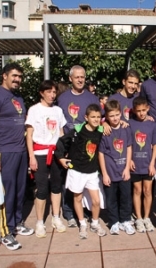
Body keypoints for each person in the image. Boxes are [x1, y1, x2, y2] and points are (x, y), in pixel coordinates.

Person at [0, 63, 33, 251]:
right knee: (7, 194)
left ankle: (18, 222)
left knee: (20, 190)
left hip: (21, 152)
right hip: (5, 152)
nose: (17, 79)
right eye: (14, 75)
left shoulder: (18, 97)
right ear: (4, 76)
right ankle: (6, 232)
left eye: (20, 76)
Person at [55, 104, 107, 239]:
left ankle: (95, 223)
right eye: (93, 117)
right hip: (76, 171)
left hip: (92, 172)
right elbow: (61, 142)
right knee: (77, 198)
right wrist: (60, 158)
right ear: (86, 117)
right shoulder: (77, 131)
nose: (96, 119)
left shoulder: (101, 130)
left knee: (96, 201)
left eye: (98, 117)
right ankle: (82, 224)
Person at [57, 65, 100, 228]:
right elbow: (60, 122)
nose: (80, 79)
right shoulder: (62, 98)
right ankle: (68, 213)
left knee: (88, 183)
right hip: (70, 145)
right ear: (70, 79)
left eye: (82, 77)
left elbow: (99, 121)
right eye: (77, 77)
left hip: (88, 148)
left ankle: (87, 212)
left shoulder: (92, 98)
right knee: (68, 183)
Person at [25, 80, 67, 238]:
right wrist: (31, 157)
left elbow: (61, 133)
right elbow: (29, 135)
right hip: (40, 153)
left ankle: (56, 217)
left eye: (54, 92)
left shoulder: (58, 110)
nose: (52, 95)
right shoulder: (34, 110)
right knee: (42, 189)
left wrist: (62, 154)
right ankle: (39, 221)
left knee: (56, 187)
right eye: (49, 92)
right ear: (42, 93)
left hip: (56, 153)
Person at [99, 99, 135, 235]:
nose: (115, 118)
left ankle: (125, 220)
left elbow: (129, 147)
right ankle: (113, 221)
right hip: (110, 172)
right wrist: (105, 174)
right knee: (111, 198)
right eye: (111, 115)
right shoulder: (104, 132)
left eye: (117, 114)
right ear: (106, 116)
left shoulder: (126, 128)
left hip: (123, 171)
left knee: (126, 197)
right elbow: (101, 154)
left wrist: (127, 168)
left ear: (120, 113)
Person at [128, 96, 156, 233]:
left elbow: (155, 145)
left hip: (148, 164)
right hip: (135, 164)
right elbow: (127, 144)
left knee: (147, 190)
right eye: (138, 110)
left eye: (143, 110)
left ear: (148, 109)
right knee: (137, 190)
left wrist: (152, 163)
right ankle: (139, 218)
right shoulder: (129, 124)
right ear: (134, 110)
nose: (141, 113)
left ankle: (147, 217)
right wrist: (129, 160)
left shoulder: (152, 125)